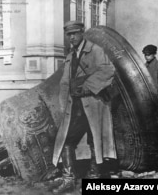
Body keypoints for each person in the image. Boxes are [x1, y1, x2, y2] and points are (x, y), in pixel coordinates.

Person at [50, 20, 117, 194]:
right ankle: (69, 179)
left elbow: (108, 70)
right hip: (75, 106)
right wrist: (62, 104)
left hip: (93, 104)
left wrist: (88, 86)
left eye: (75, 33)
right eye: (69, 35)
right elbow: (65, 82)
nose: (71, 37)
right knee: (67, 140)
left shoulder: (96, 50)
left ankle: (94, 177)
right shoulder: (70, 56)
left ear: (82, 33)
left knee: (95, 140)